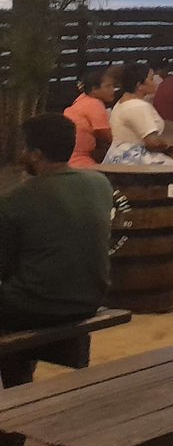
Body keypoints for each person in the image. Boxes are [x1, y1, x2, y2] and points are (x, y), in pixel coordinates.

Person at [0, 116, 114, 385]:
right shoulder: (100, 184)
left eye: (23, 148)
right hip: (88, 300)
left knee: (17, 300)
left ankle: (17, 387)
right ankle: (21, 381)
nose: (20, 154)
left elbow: (4, 266)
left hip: (36, 306)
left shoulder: (17, 198)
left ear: (36, 155)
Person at [103, 62, 173, 167]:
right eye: (151, 79)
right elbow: (152, 142)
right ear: (139, 85)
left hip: (116, 156)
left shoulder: (121, 102)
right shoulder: (138, 106)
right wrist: (169, 143)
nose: (155, 82)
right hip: (133, 158)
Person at [64, 67, 116, 168]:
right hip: (79, 159)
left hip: (68, 157)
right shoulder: (94, 104)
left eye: (113, 86)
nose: (112, 90)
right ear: (94, 90)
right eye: (108, 86)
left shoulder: (81, 100)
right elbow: (105, 134)